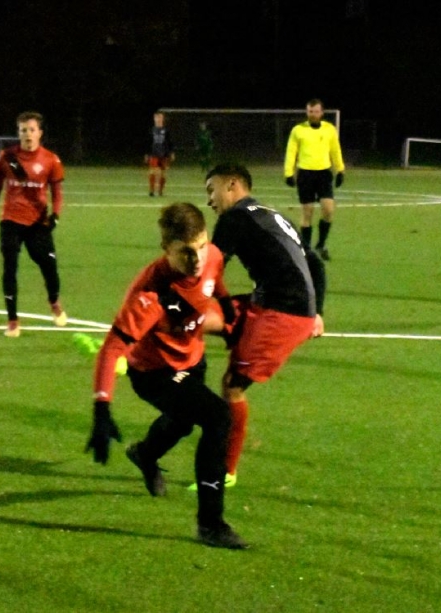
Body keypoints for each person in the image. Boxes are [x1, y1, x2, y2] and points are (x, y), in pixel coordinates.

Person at [85, 201, 247, 549]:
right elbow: (111, 349)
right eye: (185, 252)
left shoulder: (211, 255)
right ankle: (210, 524)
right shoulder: (150, 294)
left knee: (183, 423)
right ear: (166, 249)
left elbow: (215, 275)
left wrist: (226, 303)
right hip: (155, 373)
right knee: (218, 416)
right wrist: (102, 408)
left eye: (200, 246)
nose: (196, 259)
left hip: (192, 357)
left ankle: (145, 454)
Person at [204, 163, 325, 489]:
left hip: (282, 313)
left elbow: (212, 267)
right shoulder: (273, 215)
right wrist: (318, 312)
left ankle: (226, 471)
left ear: (232, 185)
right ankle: (139, 358)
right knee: (197, 317)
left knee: (232, 386)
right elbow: (314, 262)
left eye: (212, 190)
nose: (210, 200)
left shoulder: (234, 218)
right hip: (273, 303)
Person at [0, 111, 67, 337]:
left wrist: (55, 215)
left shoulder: (51, 160)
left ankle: (54, 301)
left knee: (49, 266)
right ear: (18, 133)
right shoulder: (8, 157)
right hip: (11, 219)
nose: (27, 134)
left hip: (38, 222)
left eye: (31, 130)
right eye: (23, 130)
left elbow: (57, 192)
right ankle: (13, 321)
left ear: (40, 133)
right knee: (10, 267)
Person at [283, 98, 345, 261]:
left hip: (324, 174)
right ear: (307, 112)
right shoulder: (298, 130)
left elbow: (335, 150)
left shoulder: (329, 129)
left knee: (328, 210)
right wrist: (288, 173)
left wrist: (340, 170)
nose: (313, 114)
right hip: (305, 175)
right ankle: (307, 249)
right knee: (307, 213)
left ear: (322, 113)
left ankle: (321, 244)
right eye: (310, 111)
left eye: (316, 111)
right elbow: (291, 152)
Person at [146, 110, 175, 197]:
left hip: (164, 154)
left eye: (160, 117)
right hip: (154, 154)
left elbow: (170, 142)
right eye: (157, 117)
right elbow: (148, 142)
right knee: (152, 172)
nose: (158, 119)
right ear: (154, 119)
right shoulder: (151, 130)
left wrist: (171, 153)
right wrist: (147, 154)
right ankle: (151, 190)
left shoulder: (166, 130)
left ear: (163, 119)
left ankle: (160, 191)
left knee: (162, 173)